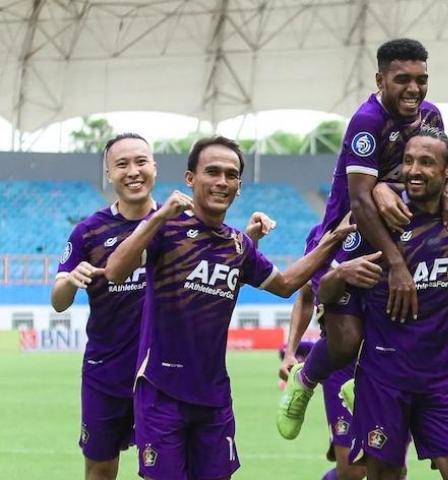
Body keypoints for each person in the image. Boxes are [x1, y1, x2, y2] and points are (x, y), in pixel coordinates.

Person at [104, 136, 354, 480]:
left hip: (214, 396)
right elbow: (114, 270)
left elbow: (285, 285)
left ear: (239, 186)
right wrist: (158, 217)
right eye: (213, 172)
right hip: (161, 392)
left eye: (231, 175)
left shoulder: (239, 246)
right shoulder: (167, 229)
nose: (222, 181)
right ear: (190, 178)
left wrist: (332, 240)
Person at [277, 37, 448, 440]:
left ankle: (363, 382)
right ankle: (303, 382)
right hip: (349, 238)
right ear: (380, 79)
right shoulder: (367, 121)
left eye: (421, 79)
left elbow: (441, 168)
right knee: (344, 340)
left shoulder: (431, 116)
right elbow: (359, 199)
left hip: (397, 235)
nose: (414, 89)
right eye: (403, 79)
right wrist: (394, 262)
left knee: (406, 318)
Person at [318, 127, 448, 480]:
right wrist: (342, 273)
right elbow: (323, 292)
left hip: (442, 380)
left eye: (426, 162)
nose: (414, 170)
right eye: (407, 161)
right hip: (383, 380)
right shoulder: (374, 223)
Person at [51, 133, 157, 480]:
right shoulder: (88, 231)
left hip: (163, 372)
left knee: (165, 469)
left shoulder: (179, 224)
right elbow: (59, 302)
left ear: (154, 166)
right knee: (100, 467)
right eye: (122, 164)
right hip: (105, 370)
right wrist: (69, 280)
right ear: (108, 174)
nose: (133, 171)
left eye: (141, 161)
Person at [278, 281, 366, 480]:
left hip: (389, 359)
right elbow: (305, 297)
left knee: (392, 466)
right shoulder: (325, 250)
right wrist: (290, 352)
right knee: (352, 471)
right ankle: (302, 381)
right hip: (341, 364)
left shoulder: (399, 252)